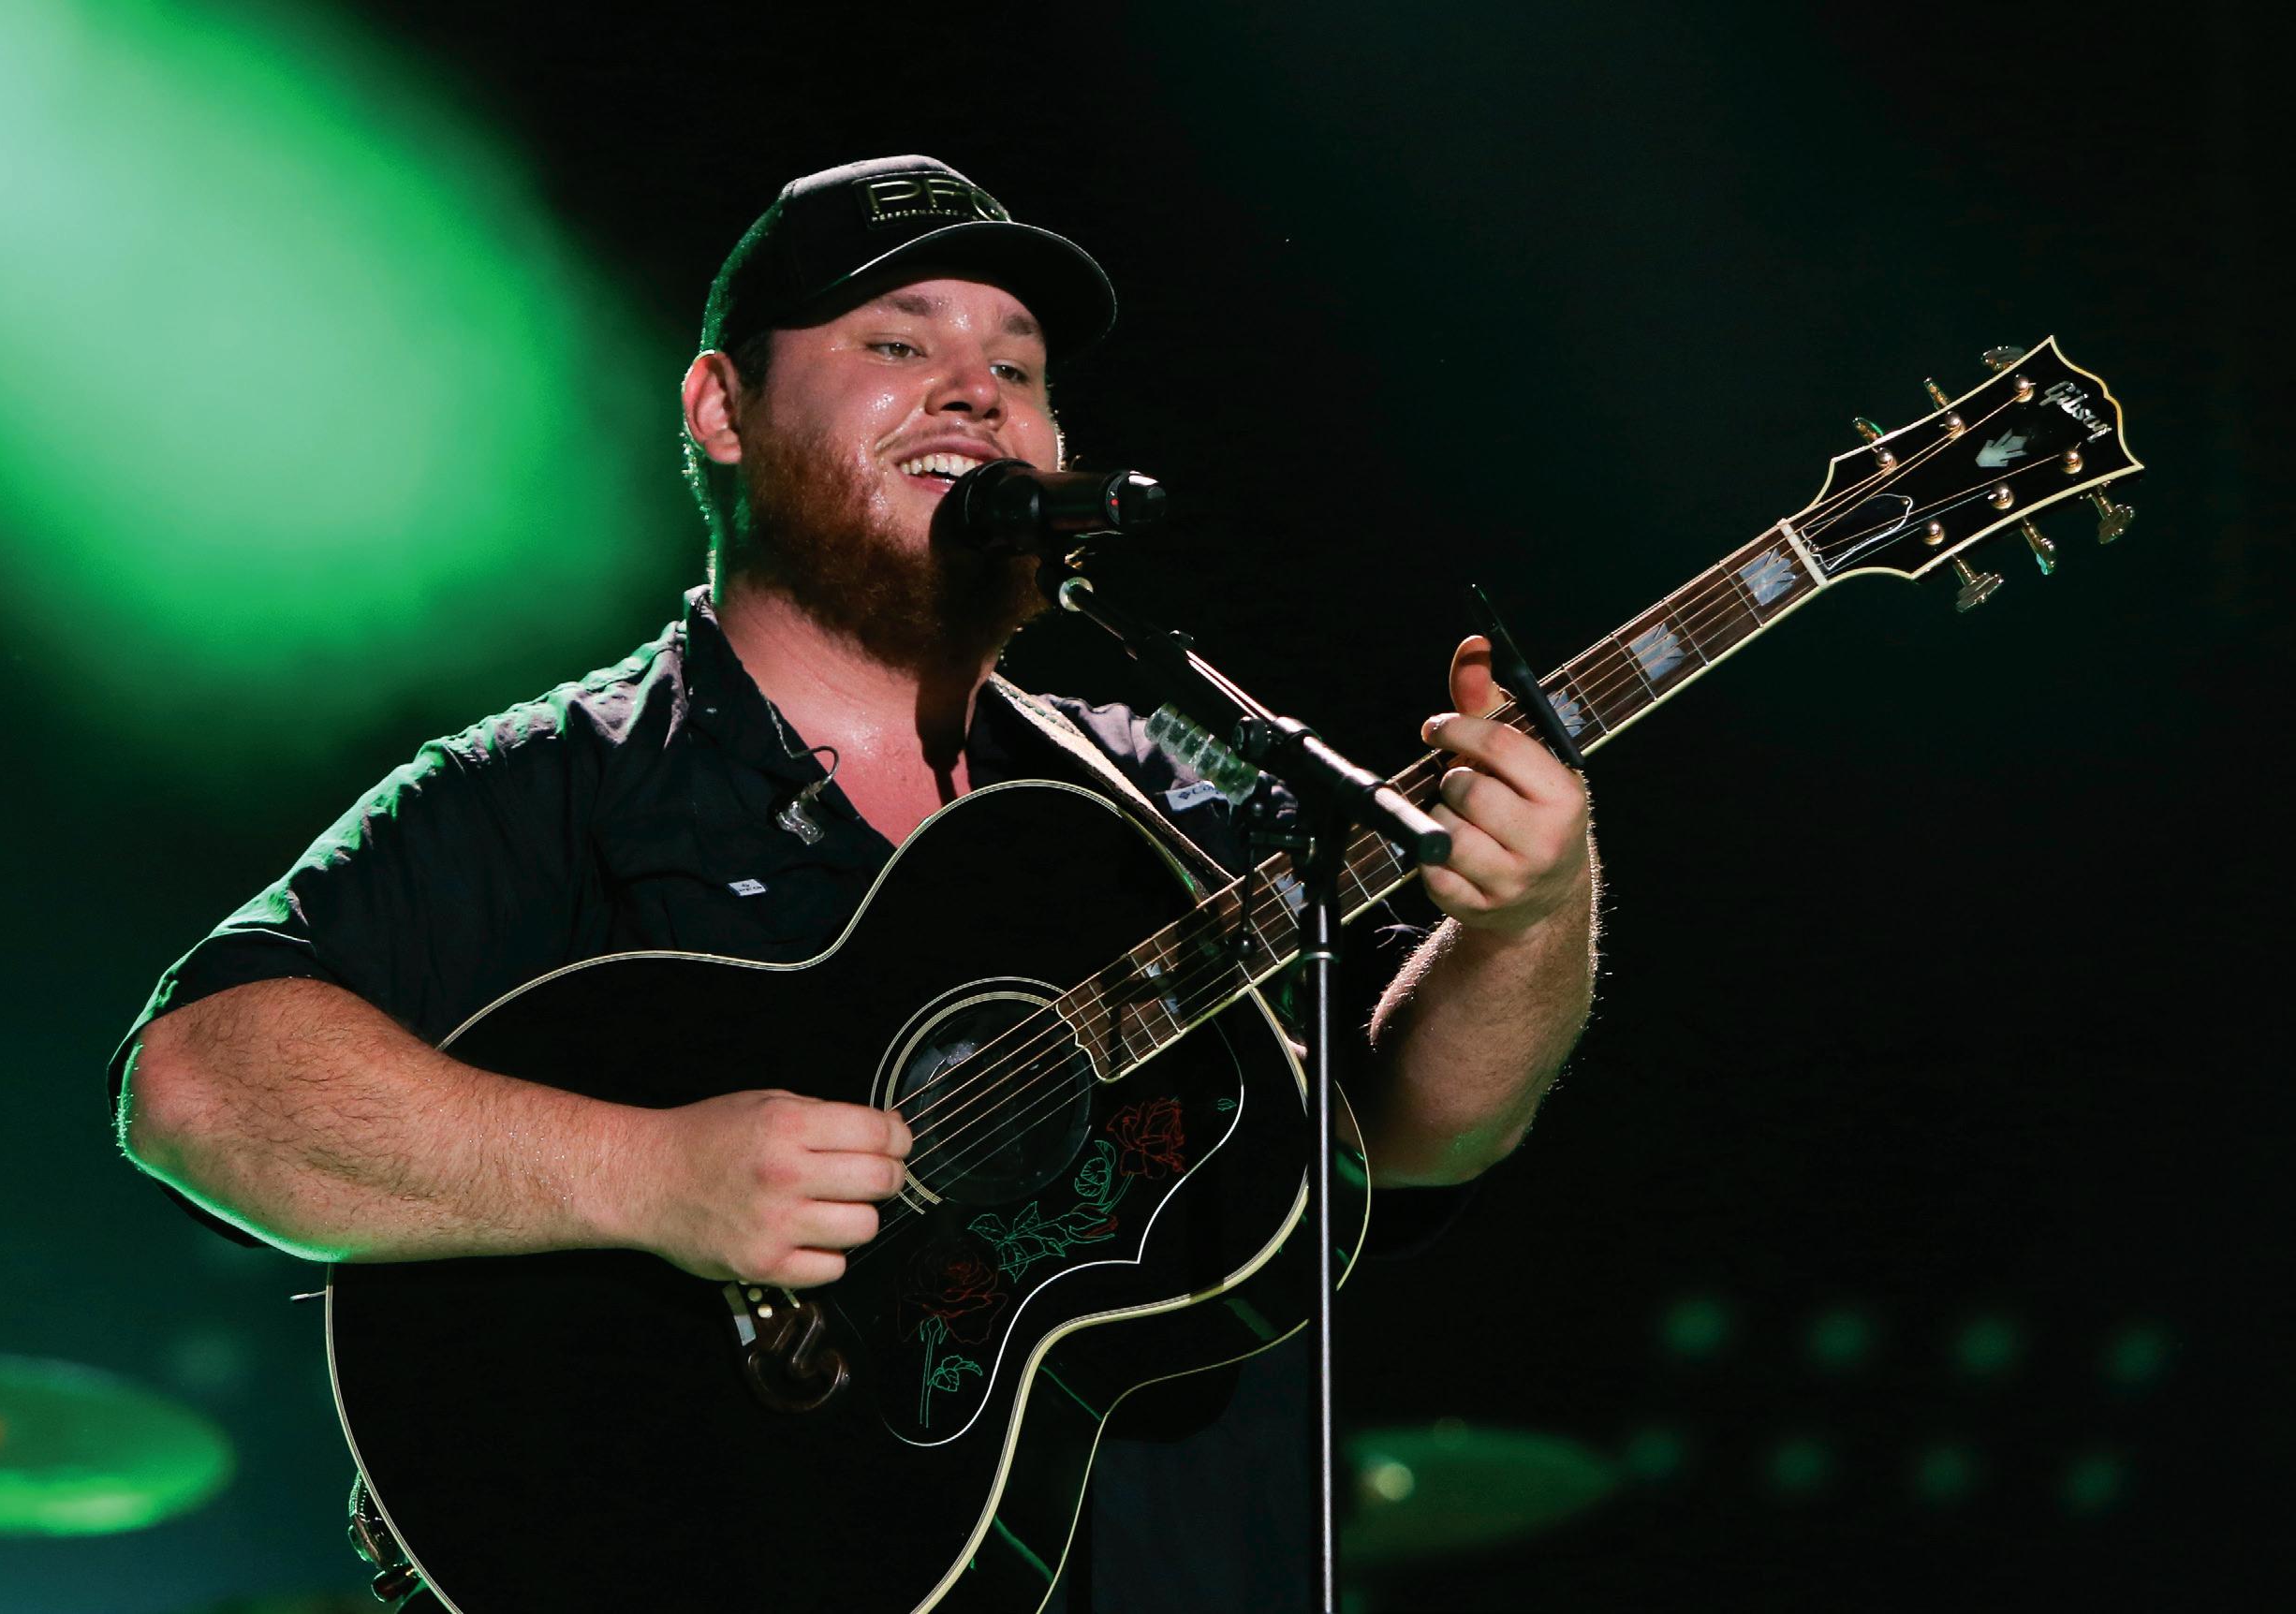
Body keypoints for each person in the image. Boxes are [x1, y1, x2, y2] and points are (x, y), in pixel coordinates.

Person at [110, 155, 1597, 1611]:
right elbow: (197, 1085)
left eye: (1016, 369)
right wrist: (648, 1175)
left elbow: (1414, 1134)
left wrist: (1527, 915)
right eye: (897, 345)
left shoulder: (1166, 792)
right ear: (722, 408)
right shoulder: (563, 782)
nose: (975, 394)